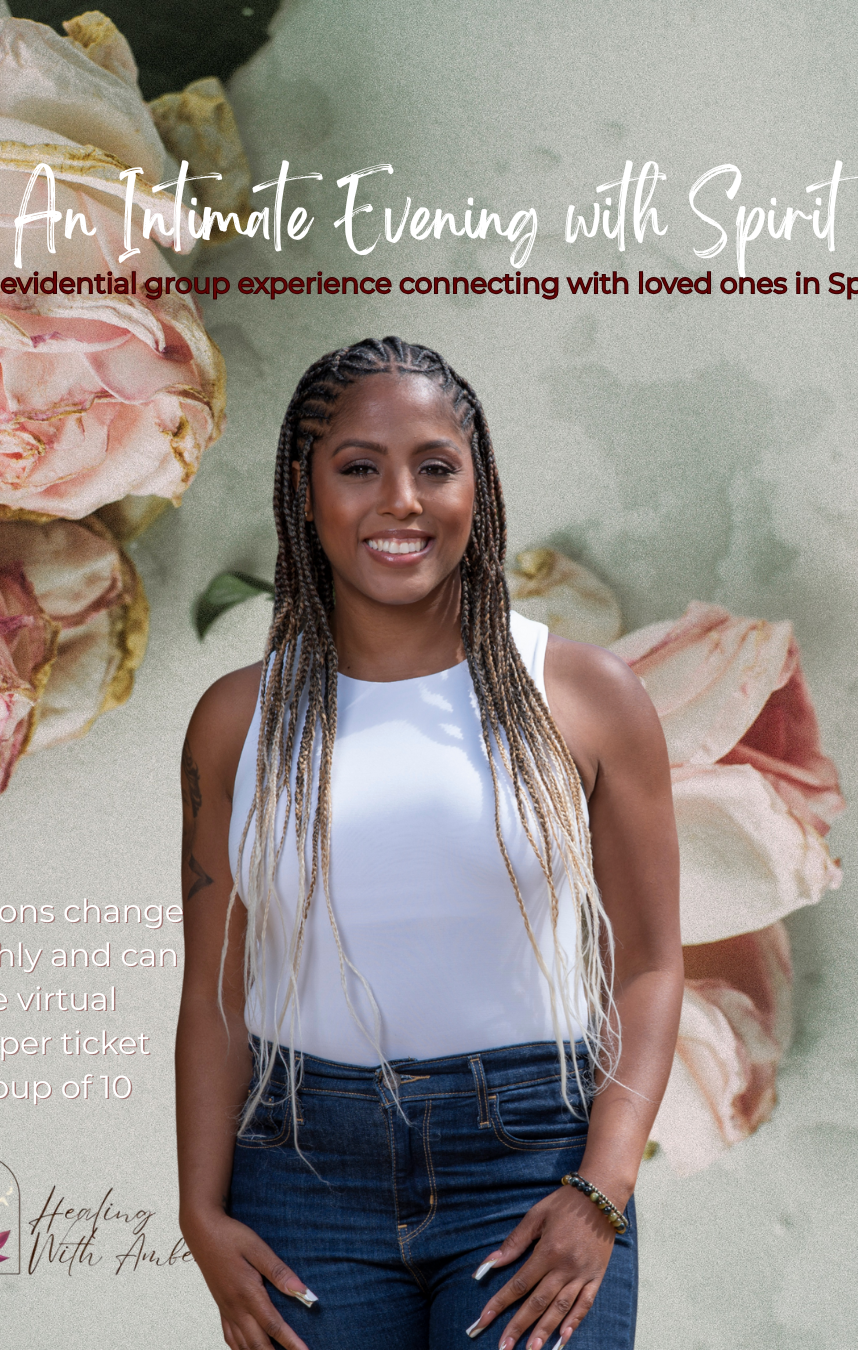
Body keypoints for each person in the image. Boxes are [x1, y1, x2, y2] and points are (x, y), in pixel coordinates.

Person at [176, 337, 682, 1350]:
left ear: (479, 489)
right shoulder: (238, 721)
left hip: (533, 1167)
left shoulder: (587, 698)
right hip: (303, 1177)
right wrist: (201, 1212)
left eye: (435, 467)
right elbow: (216, 993)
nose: (400, 499)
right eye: (359, 466)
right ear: (305, 491)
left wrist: (606, 1184)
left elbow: (654, 964)